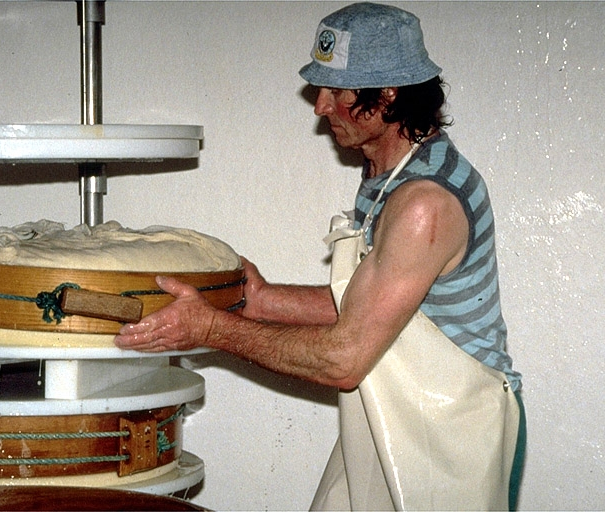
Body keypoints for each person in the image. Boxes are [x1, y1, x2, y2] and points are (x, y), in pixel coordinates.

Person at [114, 2, 525, 510]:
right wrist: (259, 300)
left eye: (337, 91)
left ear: (389, 94)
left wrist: (211, 330)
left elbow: (343, 361)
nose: (320, 106)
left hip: (451, 433)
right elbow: (376, 307)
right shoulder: (388, 175)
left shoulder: (424, 203)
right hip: (395, 413)